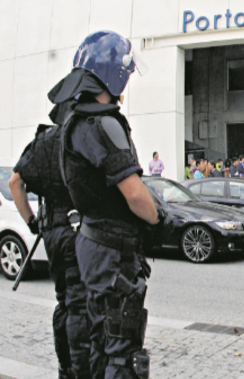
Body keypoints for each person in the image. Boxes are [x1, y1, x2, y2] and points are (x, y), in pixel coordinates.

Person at [57, 31, 170, 379]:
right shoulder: (103, 122)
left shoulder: (72, 120)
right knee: (122, 353)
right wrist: (159, 218)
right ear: (114, 73)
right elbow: (135, 194)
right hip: (113, 254)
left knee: (100, 343)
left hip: (92, 246)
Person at [9, 120, 91, 379]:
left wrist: (32, 222)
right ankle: (80, 372)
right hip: (77, 228)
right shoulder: (81, 136)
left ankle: (65, 369)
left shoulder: (41, 141)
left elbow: (14, 182)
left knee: (64, 302)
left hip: (52, 231)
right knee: (79, 305)